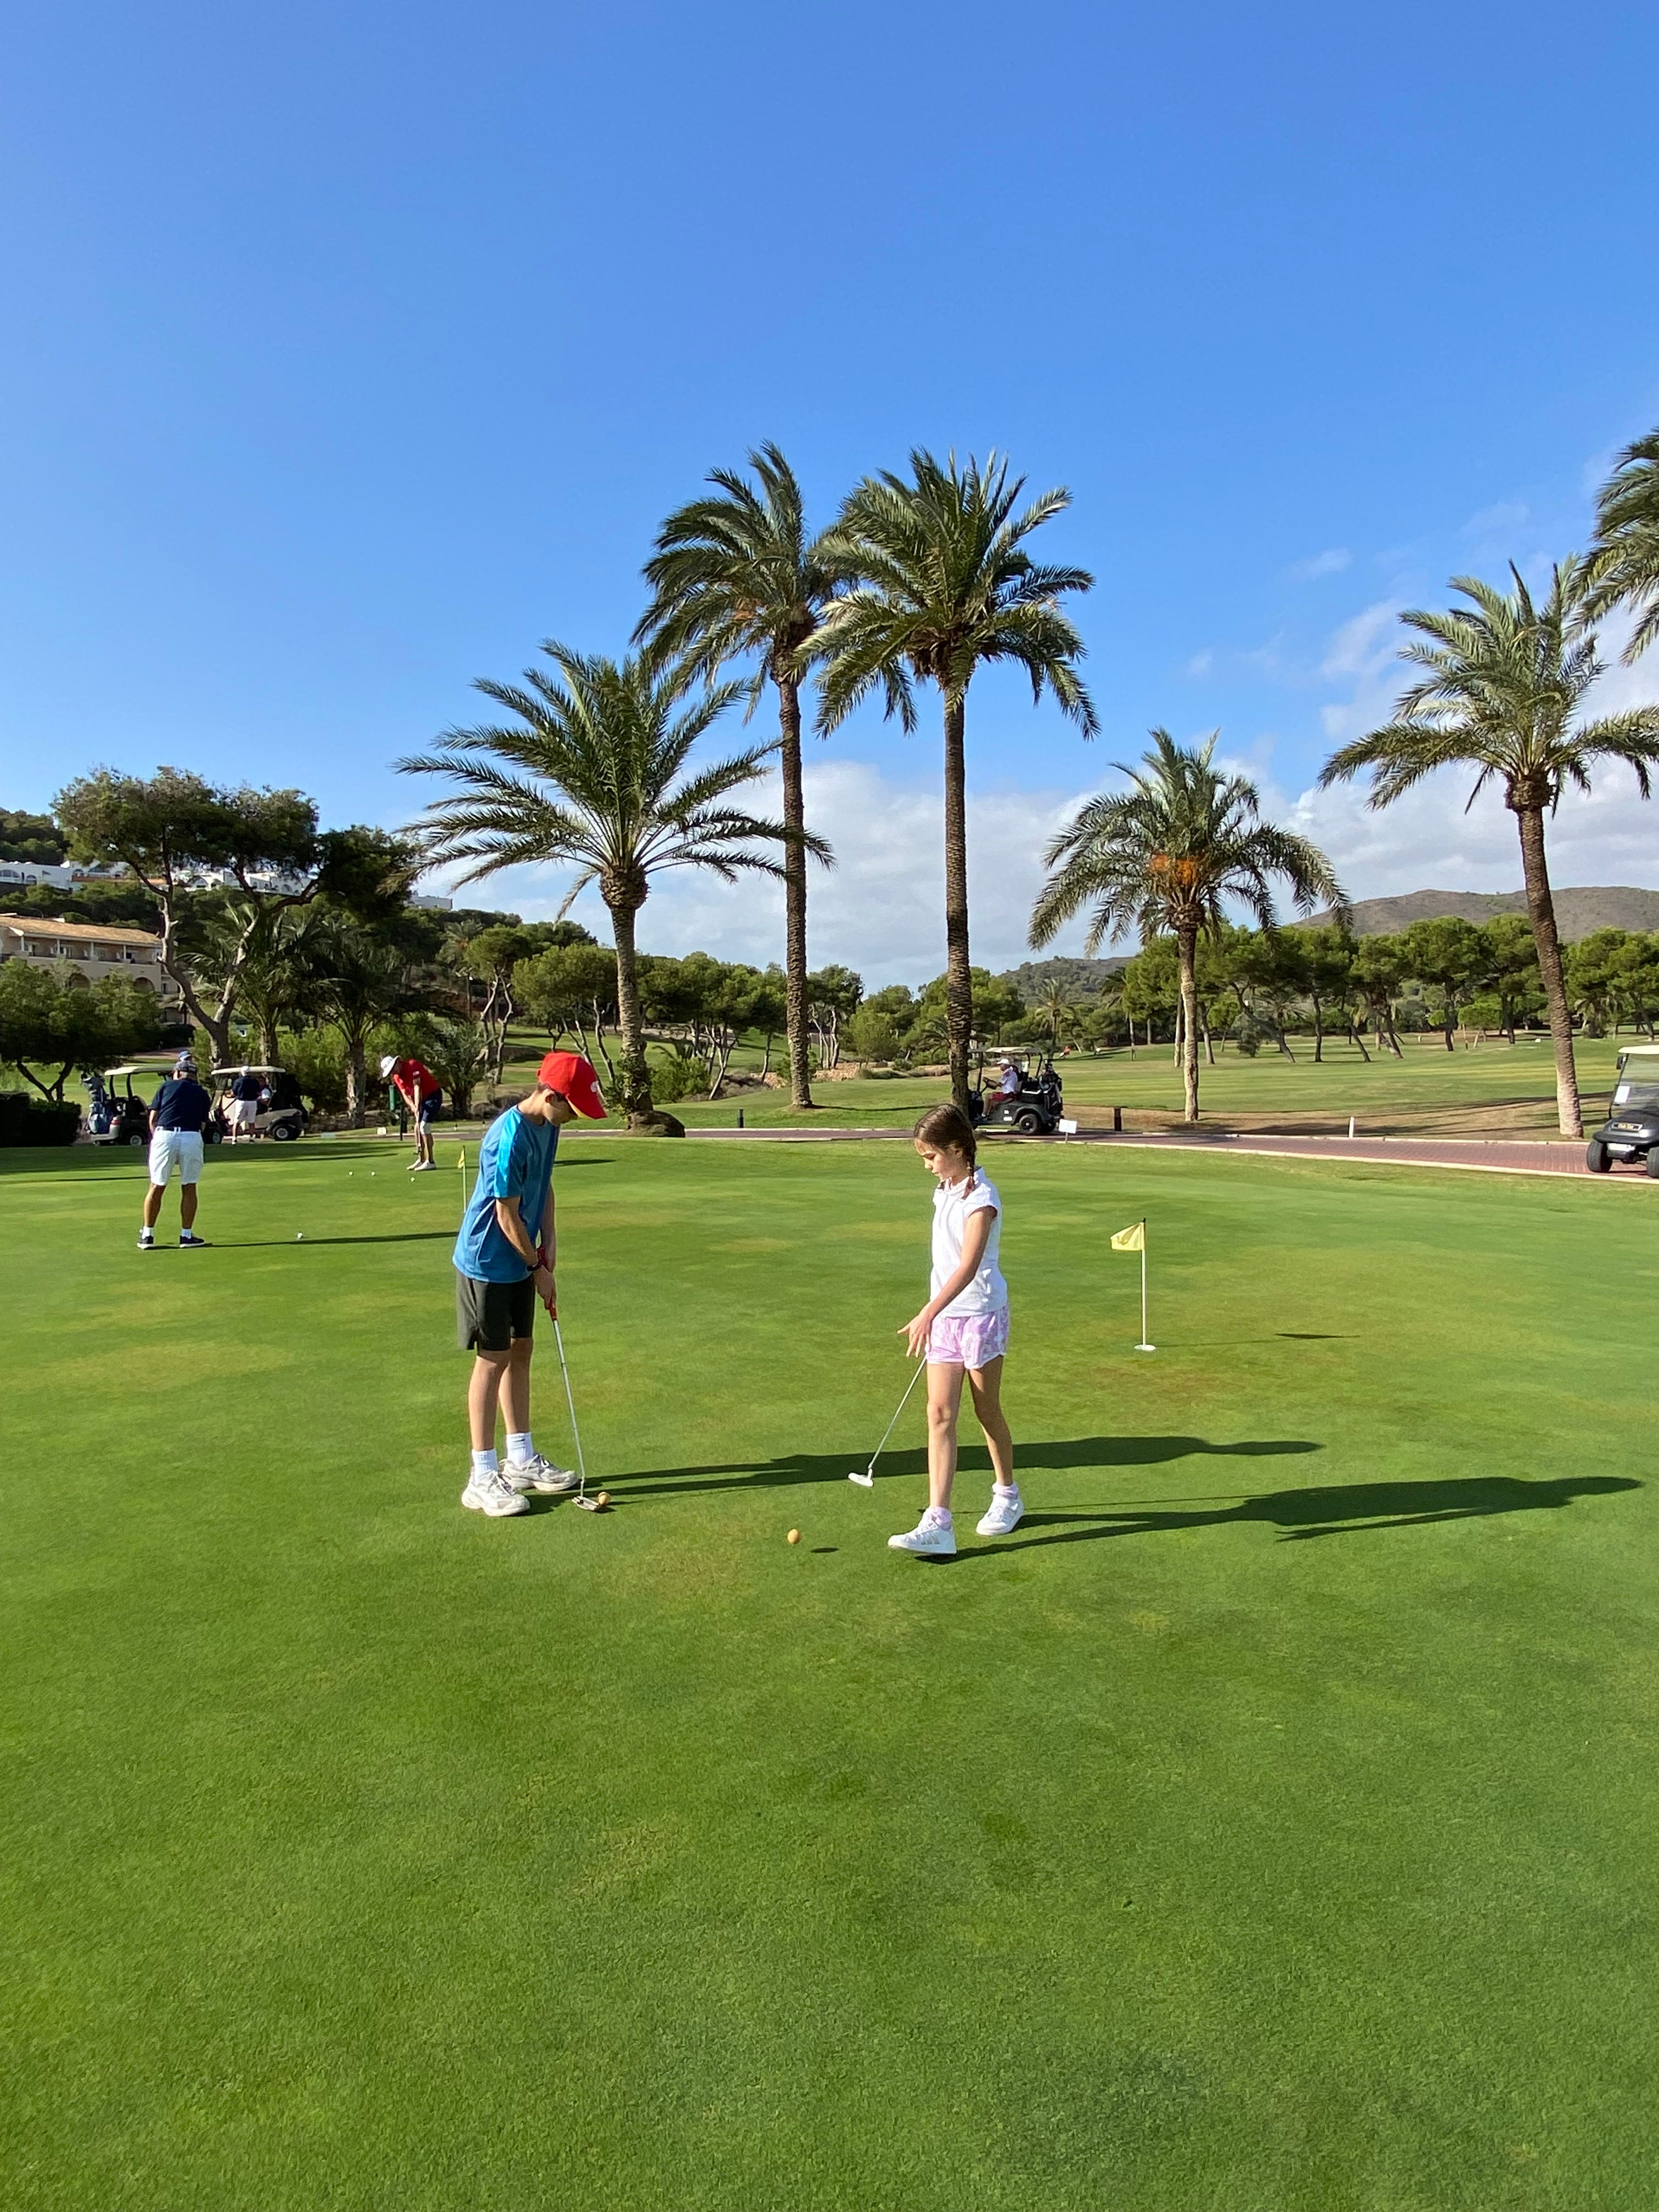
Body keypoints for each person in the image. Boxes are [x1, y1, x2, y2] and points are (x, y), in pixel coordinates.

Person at [453, 1049, 607, 1517]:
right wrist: (536, 1268)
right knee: (492, 1359)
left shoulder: (550, 1126)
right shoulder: (509, 1137)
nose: (575, 1118)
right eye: (573, 1108)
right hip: (487, 1259)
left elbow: (545, 1186)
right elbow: (504, 1212)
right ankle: (481, 1476)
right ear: (550, 1094)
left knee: (522, 1350)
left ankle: (519, 1457)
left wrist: (552, 1241)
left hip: (523, 1256)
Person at [888, 1102, 1020, 1558]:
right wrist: (934, 1313)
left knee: (988, 1412)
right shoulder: (944, 1190)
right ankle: (938, 1522)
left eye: (931, 1156)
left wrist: (927, 1311)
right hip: (945, 1318)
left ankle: (1007, 1495)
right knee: (939, 1414)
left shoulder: (982, 1198)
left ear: (958, 1148)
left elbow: (967, 1267)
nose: (927, 1166)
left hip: (980, 1315)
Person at [138, 1052, 215, 1250]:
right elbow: (203, 1123)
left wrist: (158, 1138)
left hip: (165, 1136)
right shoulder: (201, 1092)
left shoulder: (166, 1086)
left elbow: (153, 1119)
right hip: (191, 1136)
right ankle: (186, 1236)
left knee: (157, 1185)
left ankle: (148, 1236)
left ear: (177, 1073)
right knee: (189, 1186)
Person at [381, 1053, 442, 1170]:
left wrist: (417, 1105)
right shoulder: (397, 1077)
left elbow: (417, 1087)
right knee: (416, 1128)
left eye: (393, 1069)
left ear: (398, 1063)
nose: (393, 1073)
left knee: (424, 1127)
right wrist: (413, 1106)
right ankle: (421, 1159)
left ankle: (431, 1161)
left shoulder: (412, 1065)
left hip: (433, 1096)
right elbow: (405, 1094)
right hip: (420, 1100)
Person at [228, 1068, 262, 1142]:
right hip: (252, 1102)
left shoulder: (238, 1081)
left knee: (237, 1121)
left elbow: (233, 1093)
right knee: (251, 1121)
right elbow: (259, 1093)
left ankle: (234, 1138)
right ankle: (251, 1138)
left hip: (241, 1102)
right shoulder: (255, 1081)